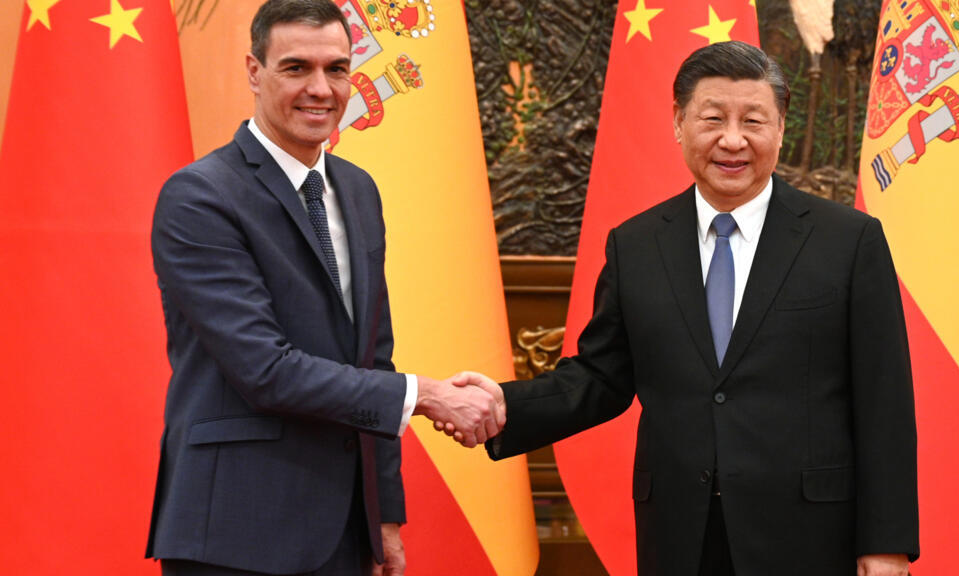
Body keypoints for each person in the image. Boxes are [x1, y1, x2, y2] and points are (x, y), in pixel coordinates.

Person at [461, 41, 919, 576]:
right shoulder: (636, 245)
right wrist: (501, 405)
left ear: (780, 127)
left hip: (809, 537)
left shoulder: (848, 240)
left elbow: (884, 401)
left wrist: (886, 545)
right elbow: (600, 379)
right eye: (712, 118)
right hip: (681, 535)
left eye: (753, 120)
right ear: (679, 122)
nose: (732, 139)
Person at [145, 1, 502, 575]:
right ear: (254, 71)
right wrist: (428, 395)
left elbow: (372, 357)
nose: (322, 89)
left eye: (337, 69)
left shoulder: (358, 190)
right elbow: (265, 369)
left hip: (343, 532)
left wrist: (382, 516)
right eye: (296, 68)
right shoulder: (199, 197)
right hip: (236, 533)